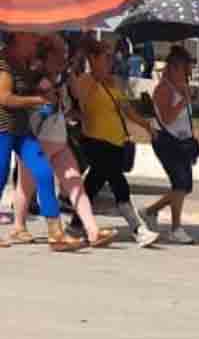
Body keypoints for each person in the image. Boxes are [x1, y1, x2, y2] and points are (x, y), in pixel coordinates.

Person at [12, 36, 117, 248]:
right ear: (47, 54)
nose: (65, 56)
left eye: (66, 51)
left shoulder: (62, 77)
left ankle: (92, 230)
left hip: (58, 139)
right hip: (35, 141)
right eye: (60, 52)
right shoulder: (35, 76)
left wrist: (68, 86)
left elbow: (68, 106)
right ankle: (19, 227)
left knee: (74, 181)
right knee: (26, 186)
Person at [70, 39, 159, 247]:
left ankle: (74, 225)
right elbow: (80, 103)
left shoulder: (112, 83)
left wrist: (147, 126)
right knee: (119, 183)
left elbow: (126, 110)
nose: (111, 61)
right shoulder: (85, 81)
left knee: (93, 183)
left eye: (111, 57)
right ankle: (138, 228)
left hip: (115, 142)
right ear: (93, 59)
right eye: (106, 57)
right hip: (94, 141)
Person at [0, 32, 84, 251]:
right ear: (18, 38)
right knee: (0, 177)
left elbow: (34, 87)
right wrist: (37, 99)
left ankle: (56, 233)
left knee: (44, 172)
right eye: (31, 36)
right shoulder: (4, 63)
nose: (35, 39)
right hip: (3, 130)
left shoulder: (27, 64)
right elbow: (5, 98)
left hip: (23, 130)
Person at [141, 46, 199, 244]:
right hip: (166, 142)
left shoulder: (181, 87)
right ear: (174, 68)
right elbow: (166, 118)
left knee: (185, 187)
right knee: (180, 184)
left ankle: (150, 212)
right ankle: (176, 228)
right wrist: (183, 102)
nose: (187, 74)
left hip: (182, 142)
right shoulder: (163, 89)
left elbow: (185, 118)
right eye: (185, 69)